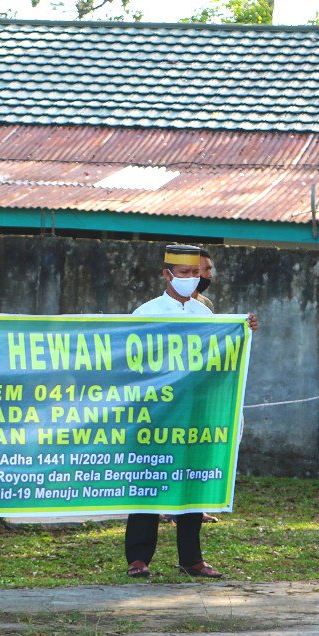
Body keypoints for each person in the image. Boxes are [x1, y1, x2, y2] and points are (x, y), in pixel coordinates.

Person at [125, 244, 257, 579]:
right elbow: (131, 364)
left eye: (196, 273)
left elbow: (217, 359)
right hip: (157, 414)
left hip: (194, 414)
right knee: (149, 482)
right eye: (184, 273)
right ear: (167, 274)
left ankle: (192, 559)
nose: (191, 279)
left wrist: (243, 330)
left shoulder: (206, 315)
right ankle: (138, 558)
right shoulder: (146, 313)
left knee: (191, 483)